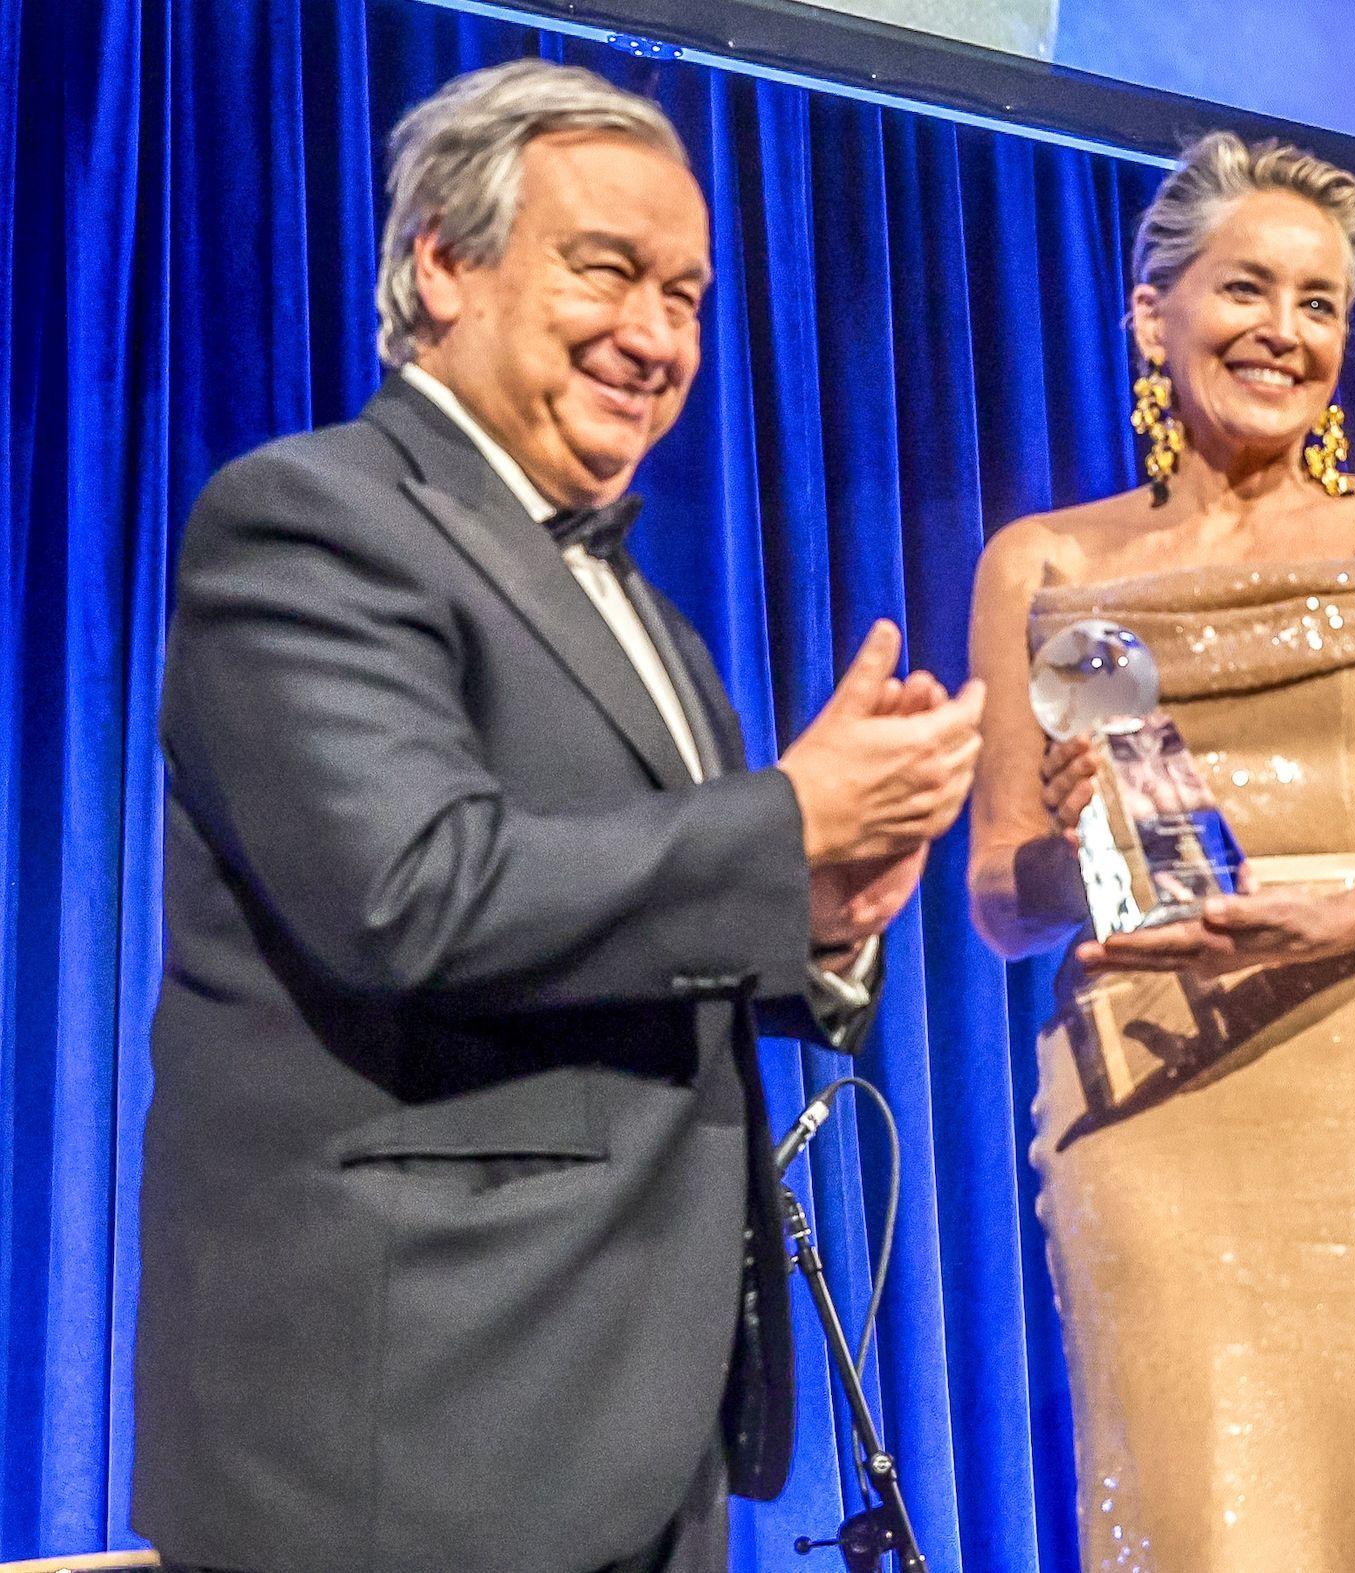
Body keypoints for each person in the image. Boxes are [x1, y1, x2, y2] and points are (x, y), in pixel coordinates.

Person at [132, 61, 983, 1573]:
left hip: (635, 1426)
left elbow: (651, 933)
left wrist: (827, 916)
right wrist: (785, 819)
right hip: (409, 1428)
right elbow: (412, 896)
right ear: (439, 265)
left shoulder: (650, 614)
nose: (656, 336)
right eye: (607, 271)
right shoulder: (308, 521)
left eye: (689, 294)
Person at [966, 133, 1355, 1572]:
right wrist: (1076, 843)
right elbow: (1001, 893)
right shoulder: (1046, 568)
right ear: (1149, 313)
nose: (1282, 333)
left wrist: (1324, 922)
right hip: (1159, 1089)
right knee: (1196, 1520)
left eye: (1319, 303)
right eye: (1244, 289)